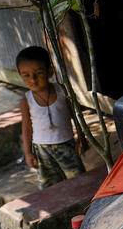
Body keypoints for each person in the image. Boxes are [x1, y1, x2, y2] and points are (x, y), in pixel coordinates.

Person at [17, 45, 85, 188]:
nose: (33, 80)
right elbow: (27, 128)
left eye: (38, 73)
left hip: (66, 144)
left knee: (78, 179)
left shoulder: (62, 90)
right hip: (42, 149)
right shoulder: (26, 100)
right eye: (26, 75)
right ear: (20, 75)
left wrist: (82, 136)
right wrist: (28, 153)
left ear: (50, 71)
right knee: (50, 184)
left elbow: (76, 115)